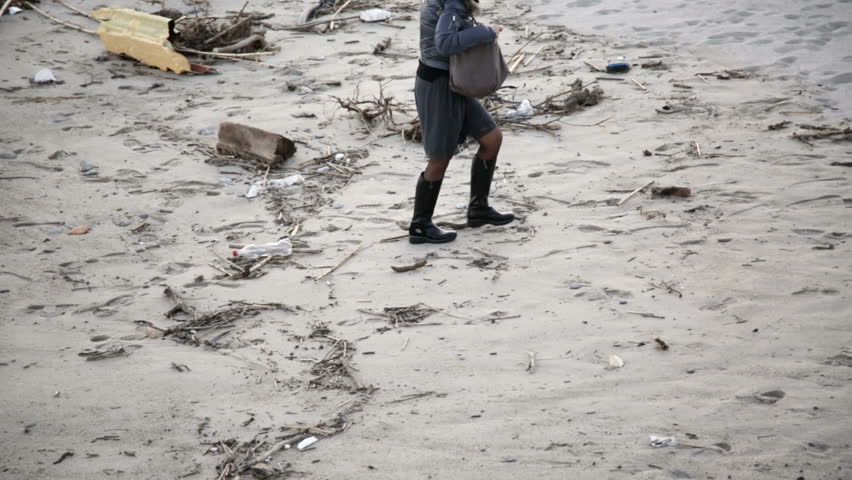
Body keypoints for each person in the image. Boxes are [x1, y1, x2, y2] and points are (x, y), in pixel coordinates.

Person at [409, 0, 514, 244]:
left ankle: (479, 209)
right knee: (440, 156)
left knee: (492, 138)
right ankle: (420, 225)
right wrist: (488, 32)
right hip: (438, 85)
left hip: (455, 83)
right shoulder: (452, 3)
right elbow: (444, 43)